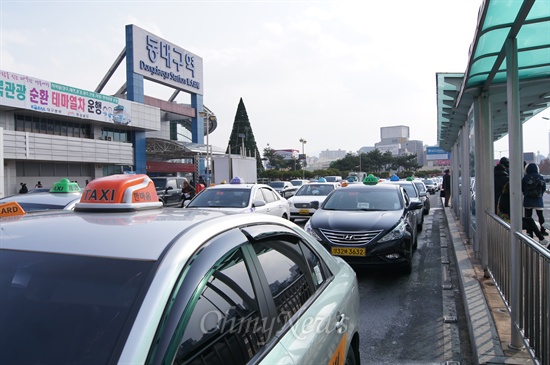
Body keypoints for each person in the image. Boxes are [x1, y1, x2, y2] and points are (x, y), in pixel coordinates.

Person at [522, 162, 547, 236]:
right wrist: (540, 194)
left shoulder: (525, 177)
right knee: (540, 216)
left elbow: (522, 188)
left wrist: (525, 194)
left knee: (528, 216)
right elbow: (544, 188)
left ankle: (529, 231)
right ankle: (542, 230)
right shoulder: (540, 177)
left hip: (528, 199)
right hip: (538, 199)